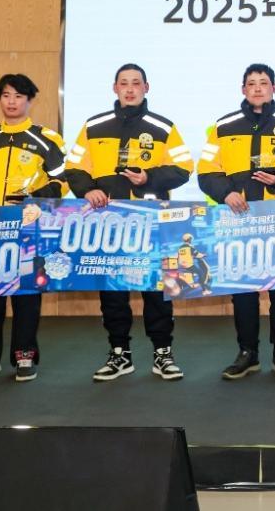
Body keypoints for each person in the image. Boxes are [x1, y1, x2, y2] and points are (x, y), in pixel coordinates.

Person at [67, 64, 193, 382]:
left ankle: (162, 352)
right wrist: (87, 189)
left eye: (136, 83)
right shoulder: (93, 126)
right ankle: (119, 353)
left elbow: (183, 168)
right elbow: (74, 167)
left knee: (156, 291)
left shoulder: (163, 127)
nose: (130, 89)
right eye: (124, 83)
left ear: (146, 88)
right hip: (107, 224)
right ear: (115, 88)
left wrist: (149, 178)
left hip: (151, 223)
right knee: (112, 293)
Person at [197, 63, 275, 380]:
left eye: (263, 83)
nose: (257, 88)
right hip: (240, 220)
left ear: (274, 89)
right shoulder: (222, 127)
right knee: (243, 289)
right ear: (243, 89)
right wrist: (225, 193)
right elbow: (206, 172)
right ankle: (247, 353)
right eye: (251, 83)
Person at [0, 75, 66, 382]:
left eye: (19, 96)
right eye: (6, 95)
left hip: (29, 226)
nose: (12, 101)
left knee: (27, 293)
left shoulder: (47, 139)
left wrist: (37, 198)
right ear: (0, 99)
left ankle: (25, 354)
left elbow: (62, 181)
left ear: (30, 101)